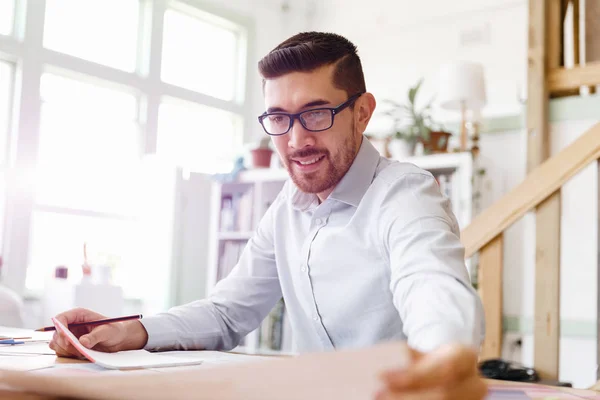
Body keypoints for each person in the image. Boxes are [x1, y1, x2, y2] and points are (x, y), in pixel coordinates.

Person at [50, 32, 487, 399]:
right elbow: (226, 314)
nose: (296, 141)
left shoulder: (403, 194)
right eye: (279, 117)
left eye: (316, 113)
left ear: (362, 112)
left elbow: (430, 282)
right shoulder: (286, 208)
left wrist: (443, 354)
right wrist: (124, 331)